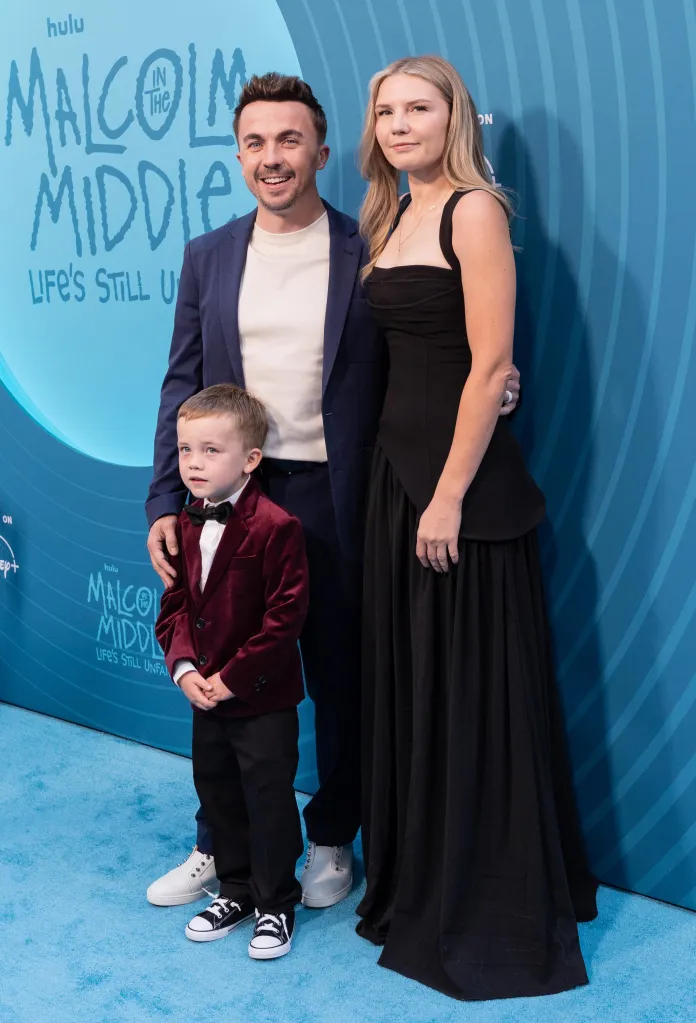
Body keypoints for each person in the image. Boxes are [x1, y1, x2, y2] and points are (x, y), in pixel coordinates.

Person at [145, 72, 520, 911]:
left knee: (344, 677)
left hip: (342, 494)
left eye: (288, 140)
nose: (271, 158)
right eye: (254, 143)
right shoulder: (208, 256)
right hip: (234, 504)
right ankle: (221, 842)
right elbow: (182, 388)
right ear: (238, 154)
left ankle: (331, 837)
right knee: (223, 677)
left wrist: (500, 378)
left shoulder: (370, 247)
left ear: (319, 149)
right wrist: (164, 499)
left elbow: (433, 348)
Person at [355, 55, 598, 1001]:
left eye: (419, 107)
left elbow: (494, 361)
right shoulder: (391, 214)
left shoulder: (473, 209)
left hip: (460, 493)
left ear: (455, 117)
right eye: (385, 110)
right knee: (416, 689)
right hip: (392, 480)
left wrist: (450, 492)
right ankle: (419, 877)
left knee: (469, 693)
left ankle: (480, 894)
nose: (399, 123)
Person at [155, 383, 308, 959]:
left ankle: (276, 904)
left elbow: (285, 618)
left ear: (250, 459)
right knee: (217, 792)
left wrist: (233, 678)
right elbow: (175, 606)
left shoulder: (277, 526)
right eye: (186, 449)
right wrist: (185, 669)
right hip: (205, 696)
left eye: (211, 450)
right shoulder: (188, 521)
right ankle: (236, 889)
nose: (194, 463)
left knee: (267, 799)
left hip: (261, 697)